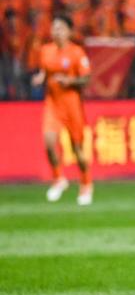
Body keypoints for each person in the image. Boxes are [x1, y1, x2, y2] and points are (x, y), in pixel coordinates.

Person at [32, 15, 93, 205]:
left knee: (77, 150)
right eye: (54, 28)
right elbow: (45, 71)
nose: (56, 32)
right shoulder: (46, 50)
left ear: (69, 31)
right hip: (53, 103)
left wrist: (70, 81)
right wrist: (41, 77)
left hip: (72, 105)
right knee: (49, 142)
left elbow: (87, 78)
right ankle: (59, 179)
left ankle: (86, 183)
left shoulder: (77, 53)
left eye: (60, 28)